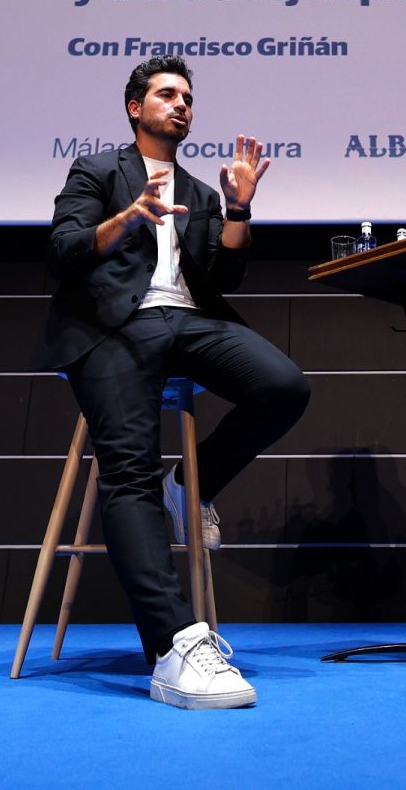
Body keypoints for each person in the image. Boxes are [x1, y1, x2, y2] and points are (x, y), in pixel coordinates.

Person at [35, 55, 310, 709]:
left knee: (284, 386)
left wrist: (239, 207)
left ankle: (187, 484)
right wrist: (127, 217)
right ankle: (174, 644)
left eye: (188, 96)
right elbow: (62, 251)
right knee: (126, 470)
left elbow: (228, 277)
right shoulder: (99, 170)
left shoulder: (201, 192)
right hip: (113, 325)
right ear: (136, 107)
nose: (181, 103)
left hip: (188, 321)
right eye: (167, 93)